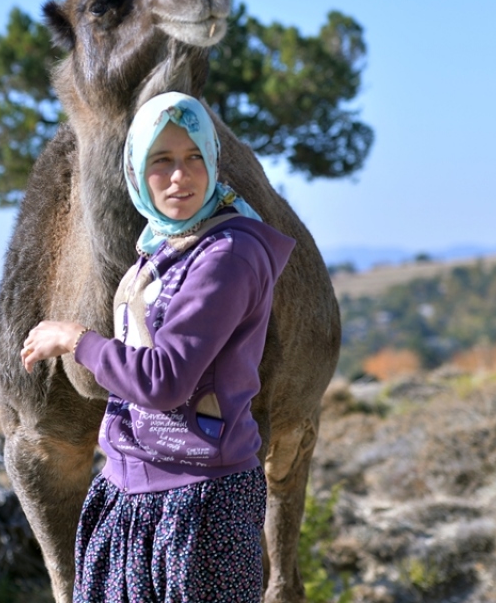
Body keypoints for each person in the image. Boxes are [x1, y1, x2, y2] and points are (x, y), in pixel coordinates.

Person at [20, 91, 295, 602]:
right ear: (134, 170)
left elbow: (164, 380)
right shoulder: (168, 244)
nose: (179, 176)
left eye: (194, 157)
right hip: (129, 491)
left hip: (199, 505)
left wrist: (77, 340)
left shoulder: (227, 255)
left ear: (213, 161)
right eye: (161, 160)